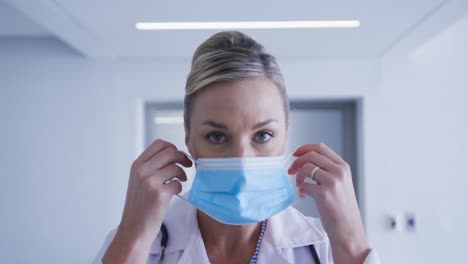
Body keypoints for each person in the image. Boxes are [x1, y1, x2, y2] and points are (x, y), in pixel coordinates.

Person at [93, 31, 381, 264]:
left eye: (263, 135)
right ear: (189, 140)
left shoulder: (326, 248)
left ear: (285, 136)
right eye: (217, 137)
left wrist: (351, 242)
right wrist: (134, 236)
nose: (242, 161)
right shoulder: (136, 244)